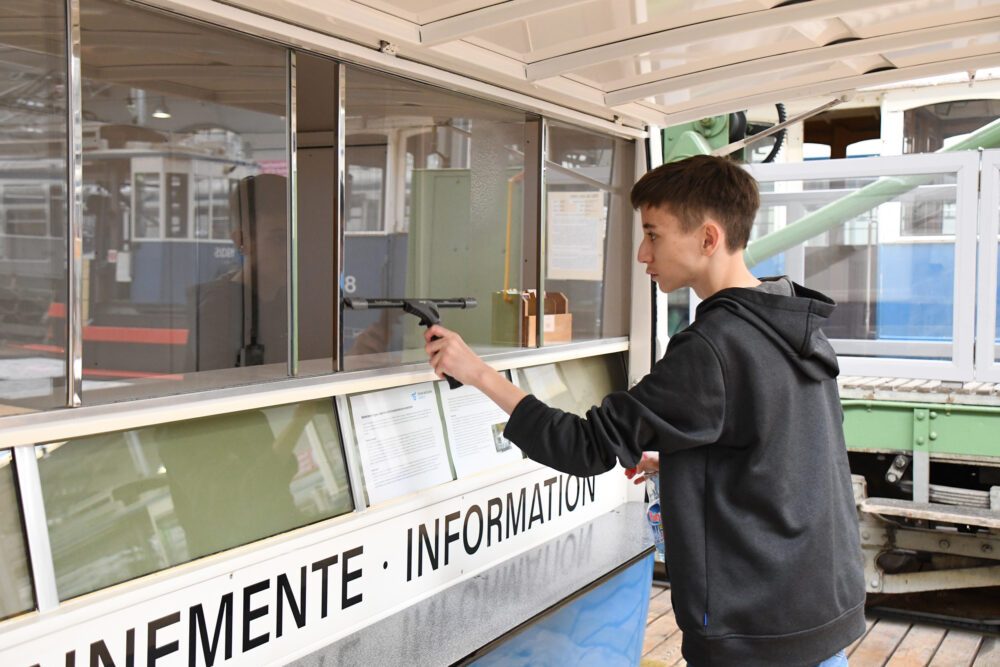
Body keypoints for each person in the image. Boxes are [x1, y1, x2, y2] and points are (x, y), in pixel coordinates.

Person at [423, 154, 866, 667]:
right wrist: (688, 460)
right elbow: (793, 447)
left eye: (653, 235)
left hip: (756, 636)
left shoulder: (713, 345)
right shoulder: (789, 319)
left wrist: (477, 371)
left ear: (707, 237)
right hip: (816, 612)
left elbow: (585, 446)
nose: (640, 253)